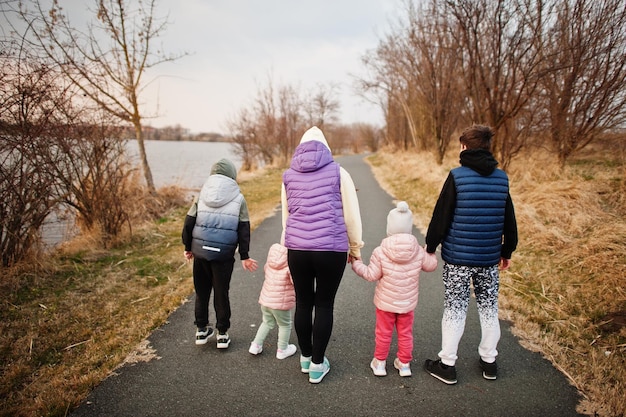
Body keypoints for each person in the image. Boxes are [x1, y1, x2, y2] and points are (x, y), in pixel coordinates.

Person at [423, 124, 518, 384]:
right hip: (488, 259)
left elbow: (441, 215)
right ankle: (489, 361)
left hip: (458, 260)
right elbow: (509, 218)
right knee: (488, 307)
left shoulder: (457, 176)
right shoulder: (502, 178)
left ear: (464, 147)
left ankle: (447, 364)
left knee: (455, 308)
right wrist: (506, 250)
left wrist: (430, 247)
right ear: (487, 147)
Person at [281, 126, 364, 384]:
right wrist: (355, 248)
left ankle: (305, 358)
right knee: (324, 304)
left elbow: (287, 217)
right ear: (325, 148)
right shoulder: (340, 172)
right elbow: (351, 216)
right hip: (330, 249)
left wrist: (288, 247)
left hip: (297, 250)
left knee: (303, 303)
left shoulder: (288, 175)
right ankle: (318, 365)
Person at [352, 201, 438, 377]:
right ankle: (404, 364)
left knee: (383, 333)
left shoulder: (380, 251)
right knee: (405, 333)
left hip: (386, 304)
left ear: (389, 228)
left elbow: (370, 275)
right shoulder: (418, 251)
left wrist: (356, 263)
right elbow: (431, 266)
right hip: (407, 303)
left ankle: (380, 363)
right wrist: (430, 252)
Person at [182, 158, 258, 349]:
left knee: (201, 291)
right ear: (232, 174)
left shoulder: (202, 194)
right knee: (221, 292)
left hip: (200, 253)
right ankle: (222, 334)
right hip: (223, 255)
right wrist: (245, 255)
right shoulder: (238, 197)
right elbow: (243, 229)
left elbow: (189, 222)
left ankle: (201, 330)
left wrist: (187, 247)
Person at [249, 243, 297, 359]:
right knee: (285, 325)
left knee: (266, 322)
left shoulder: (269, 264)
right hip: (280, 303)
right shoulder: (289, 267)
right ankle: (282, 349)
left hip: (266, 301)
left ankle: (255, 345)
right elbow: (296, 282)